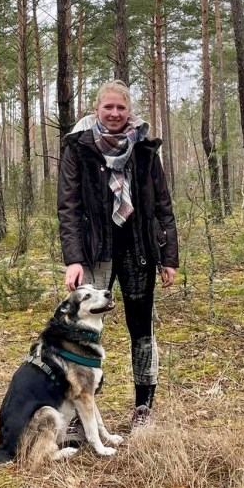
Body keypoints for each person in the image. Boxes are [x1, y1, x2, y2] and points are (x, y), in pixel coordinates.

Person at [58, 81, 179, 432]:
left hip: (139, 251)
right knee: (83, 333)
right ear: (97, 108)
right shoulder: (78, 149)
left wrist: (168, 256)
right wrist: (74, 259)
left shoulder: (144, 149)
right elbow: (68, 208)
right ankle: (82, 413)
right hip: (96, 252)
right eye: (108, 107)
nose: (114, 114)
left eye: (120, 108)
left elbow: (162, 206)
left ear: (129, 111)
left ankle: (144, 407)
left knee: (141, 330)